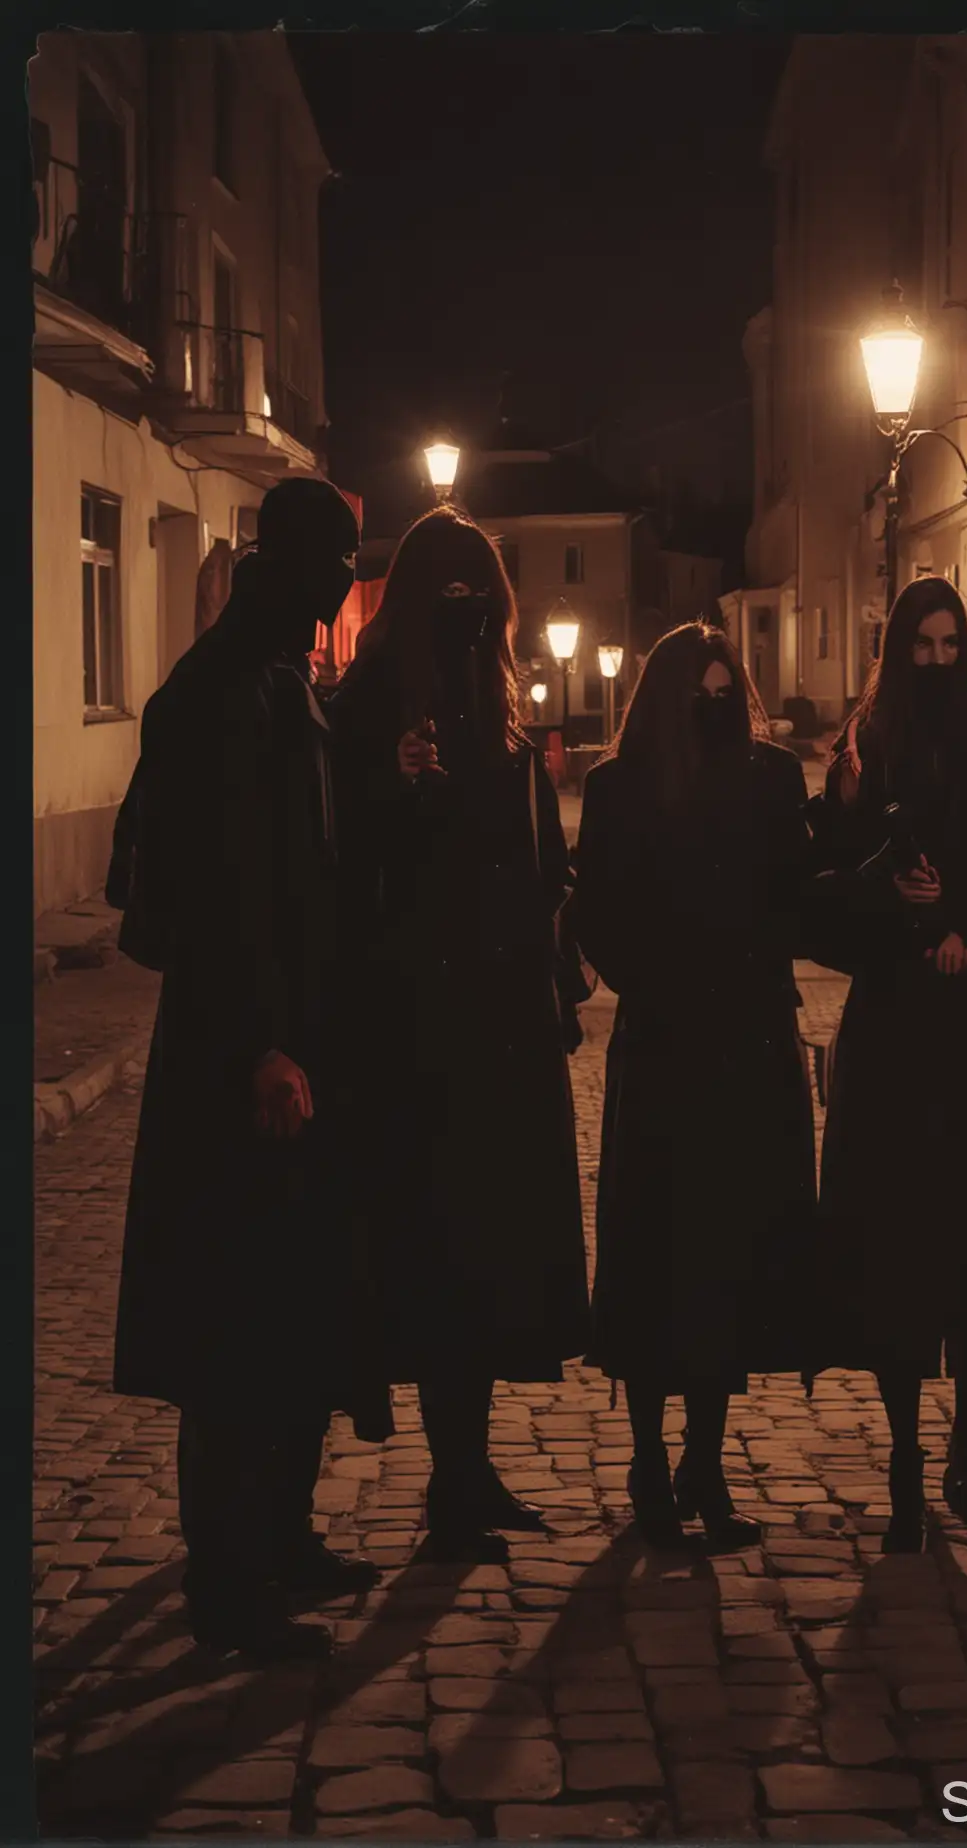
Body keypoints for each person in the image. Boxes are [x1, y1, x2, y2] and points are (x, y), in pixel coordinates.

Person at [112, 476, 382, 1662]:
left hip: (300, 1046)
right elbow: (210, 900)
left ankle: (283, 1537)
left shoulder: (283, 684)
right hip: (242, 1062)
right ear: (296, 565)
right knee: (233, 1328)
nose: (344, 588)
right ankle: (227, 1581)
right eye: (338, 565)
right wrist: (262, 1044)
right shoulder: (222, 695)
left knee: (295, 1312)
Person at [329, 507, 590, 1560]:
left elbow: (529, 859)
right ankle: (449, 1479)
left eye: (481, 595)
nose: (469, 615)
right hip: (421, 1035)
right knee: (437, 1251)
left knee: (492, 1254)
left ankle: (472, 1471)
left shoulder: (498, 705)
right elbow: (346, 859)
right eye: (451, 595)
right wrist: (393, 784)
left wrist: (555, 967)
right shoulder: (370, 709)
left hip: (505, 1023)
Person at [566, 623, 817, 1552]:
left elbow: (796, 892)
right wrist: (662, 977)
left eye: (728, 692)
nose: (716, 708)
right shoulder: (621, 785)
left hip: (750, 1047)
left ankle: (704, 1465)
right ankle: (646, 1464)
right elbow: (599, 910)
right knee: (654, 1253)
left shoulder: (770, 778)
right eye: (698, 693)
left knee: (732, 1259)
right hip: (668, 1048)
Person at [803, 577, 967, 1552]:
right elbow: (827, 890)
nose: (938, 660)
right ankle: (905, 1460)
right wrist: (884, 878)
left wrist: (966, 927)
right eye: (923, 645)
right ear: (899, 647)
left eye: (953, 645)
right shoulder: (865, 742)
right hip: (894, 1025)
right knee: (893, 1244)